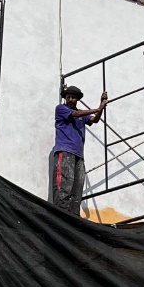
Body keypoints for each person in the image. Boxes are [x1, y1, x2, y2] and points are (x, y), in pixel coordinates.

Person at [51, 85, 108, 215]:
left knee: (77, 188)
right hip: (65, 151)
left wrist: (101, 106)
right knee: (64, 187)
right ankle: (61, 214)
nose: (71, 99)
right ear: (65, 98)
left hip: (79, 155)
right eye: (69, 97)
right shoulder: (61, 109)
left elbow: (94, 120)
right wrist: (97, 108)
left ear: (77, 99)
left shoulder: (82, 115)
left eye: (74, 97)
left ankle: (74, 215)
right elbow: (76, 114)